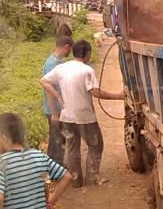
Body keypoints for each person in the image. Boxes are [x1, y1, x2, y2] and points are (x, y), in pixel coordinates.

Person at [40, 40, 124, 187]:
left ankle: (75, 181)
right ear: (88, 54)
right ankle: (92, 179)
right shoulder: (87, 70)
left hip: (67, 117)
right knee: (95, 145)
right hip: (85, 117)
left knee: (72, 148)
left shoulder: (61, 68)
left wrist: (58, 96)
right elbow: (95, 92)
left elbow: (43, 81)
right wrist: (118, 96)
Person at [42, 35, 72, 164]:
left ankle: (55, 167)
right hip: (54, 110)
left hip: (57, 109)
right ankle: (56, 169)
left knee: (58, 139)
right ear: (66, 47)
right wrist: (54, 112)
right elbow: (48, 89)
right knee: (57, 141)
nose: (70, 52)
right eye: (70, 49)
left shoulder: (57, 62)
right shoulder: (52, 64)